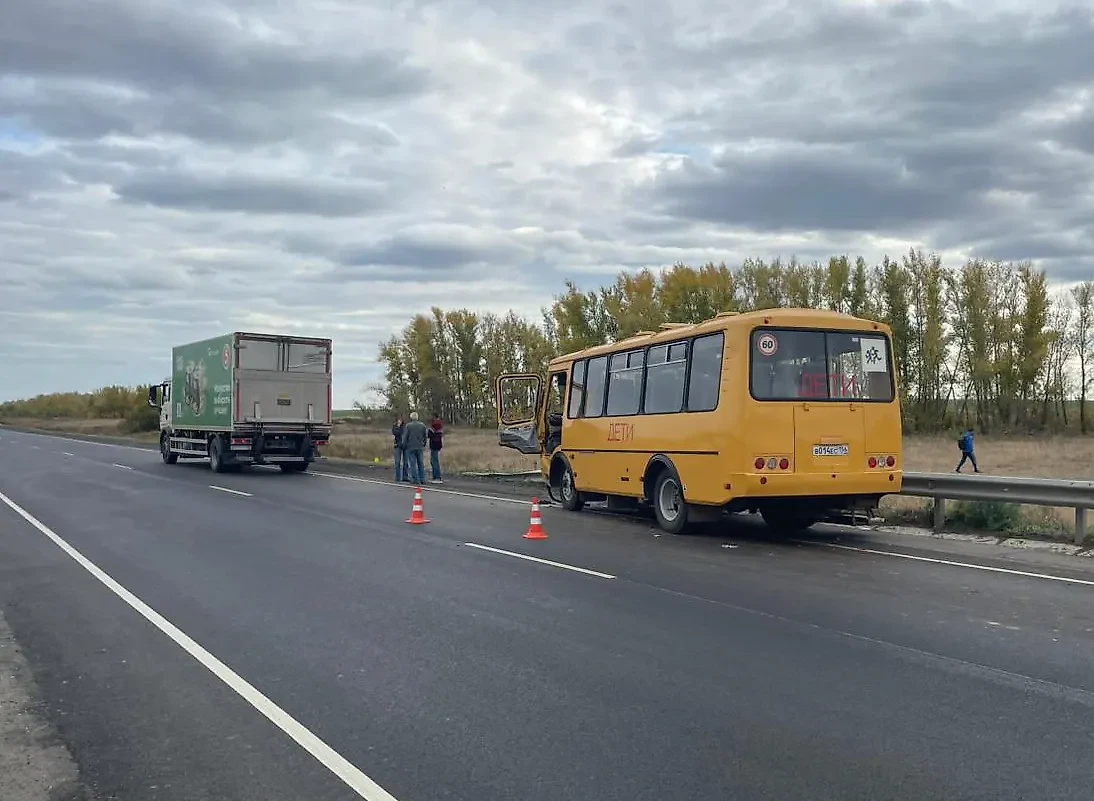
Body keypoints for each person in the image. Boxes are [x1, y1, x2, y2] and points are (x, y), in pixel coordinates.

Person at [401, 411, 428, 485]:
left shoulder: (408, 426)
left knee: (413, 464)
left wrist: (404, 445)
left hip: (411, 447)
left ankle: (415, 479)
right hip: (419, 446)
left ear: (411, 418)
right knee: (420, 463)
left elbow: (405, 436)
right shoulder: (422, 425)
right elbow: (425, 436)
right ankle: (422, 479)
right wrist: (424, 443)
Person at [427, 416, 445, 484]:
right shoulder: (440, 426)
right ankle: (437, 477)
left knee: (434, 462)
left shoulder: (433, 427)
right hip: (438, 445)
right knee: (436, 461)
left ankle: (436, 477)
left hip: (433, 445)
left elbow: (429, 435)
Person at [391, 415, 406, 482]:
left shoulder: (405, 426)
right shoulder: (394, 426)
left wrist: (400, 428)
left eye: (401, 419)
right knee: (397, 462)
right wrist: (398, 427)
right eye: (398, 420)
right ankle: (398, 477)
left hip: (405, 445)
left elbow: (404, 433)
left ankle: (405, 477)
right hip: (397, 445)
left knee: (406, 462)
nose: (399, 421)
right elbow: (395, 433)